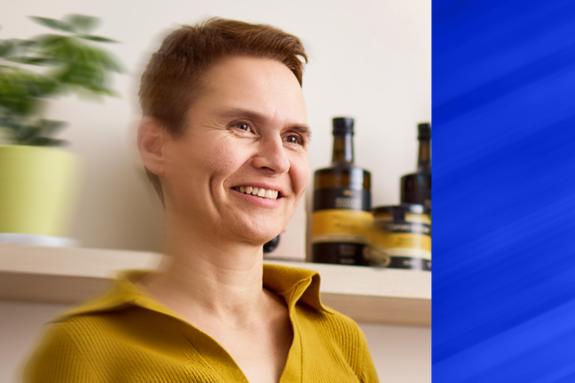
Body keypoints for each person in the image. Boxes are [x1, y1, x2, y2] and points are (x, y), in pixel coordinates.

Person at [23, 18, 379, 383]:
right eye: (243, 126)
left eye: (293, 137)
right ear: (155, 145)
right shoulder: (83, 350)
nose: (277, 160)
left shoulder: (341, 339)